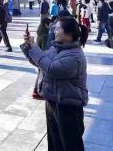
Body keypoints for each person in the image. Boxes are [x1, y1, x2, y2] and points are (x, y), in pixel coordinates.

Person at [21, 17, 88, 151]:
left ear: (69, 34)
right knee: (55, 142)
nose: (54, 31)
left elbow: (51, 69)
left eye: (57, 29)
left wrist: (34, 47)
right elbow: (41, 63)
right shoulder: (56, 48)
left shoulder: (75, 56)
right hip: (53, 101)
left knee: (70, 145)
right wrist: (29, 46)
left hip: (68, 106)